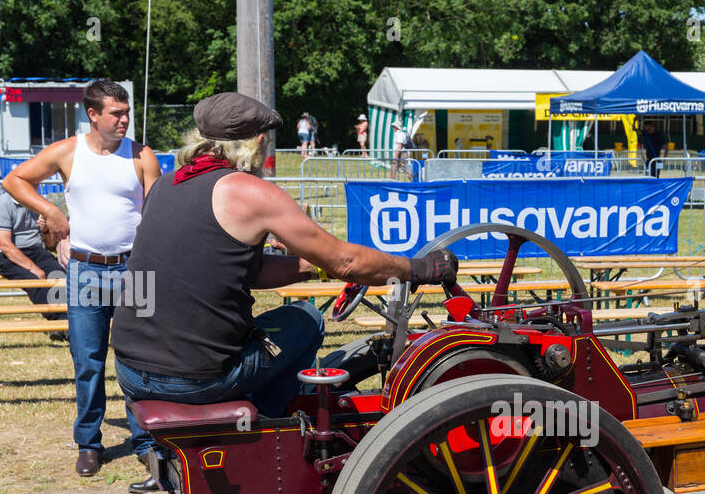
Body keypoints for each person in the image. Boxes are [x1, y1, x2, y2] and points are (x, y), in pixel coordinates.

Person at [109, 92, 458, 433]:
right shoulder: (249, 191)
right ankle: (272, 426)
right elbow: (347, 262)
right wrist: (419, 268)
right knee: (306, 319)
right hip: (196, 380)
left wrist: (310, 267)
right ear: (258, 140)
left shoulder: (166, 185)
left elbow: (246, 270)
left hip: (129, 368)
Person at [2, 79, 162, 487]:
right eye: (116, 113)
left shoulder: (142, 155)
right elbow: (15, 180)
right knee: (88, 361)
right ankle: (89, 442)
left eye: (127, 112)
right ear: (93, 114)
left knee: (140, 360)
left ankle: (145, 441)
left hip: (135, 270)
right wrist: (51, 213)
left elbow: (159, 213)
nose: (125, 120)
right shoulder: (68, 151)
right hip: (86, 269)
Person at [0, 190, 67, 341]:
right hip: (7, 255)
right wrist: (33, 268)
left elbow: (50, 244)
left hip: (36, 251)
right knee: (34, 279)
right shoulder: (3, 204)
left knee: (59, 274)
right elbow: (5, 245)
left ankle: (63, 322)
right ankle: (59, 321)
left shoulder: (39, 204)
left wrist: (45, 230)